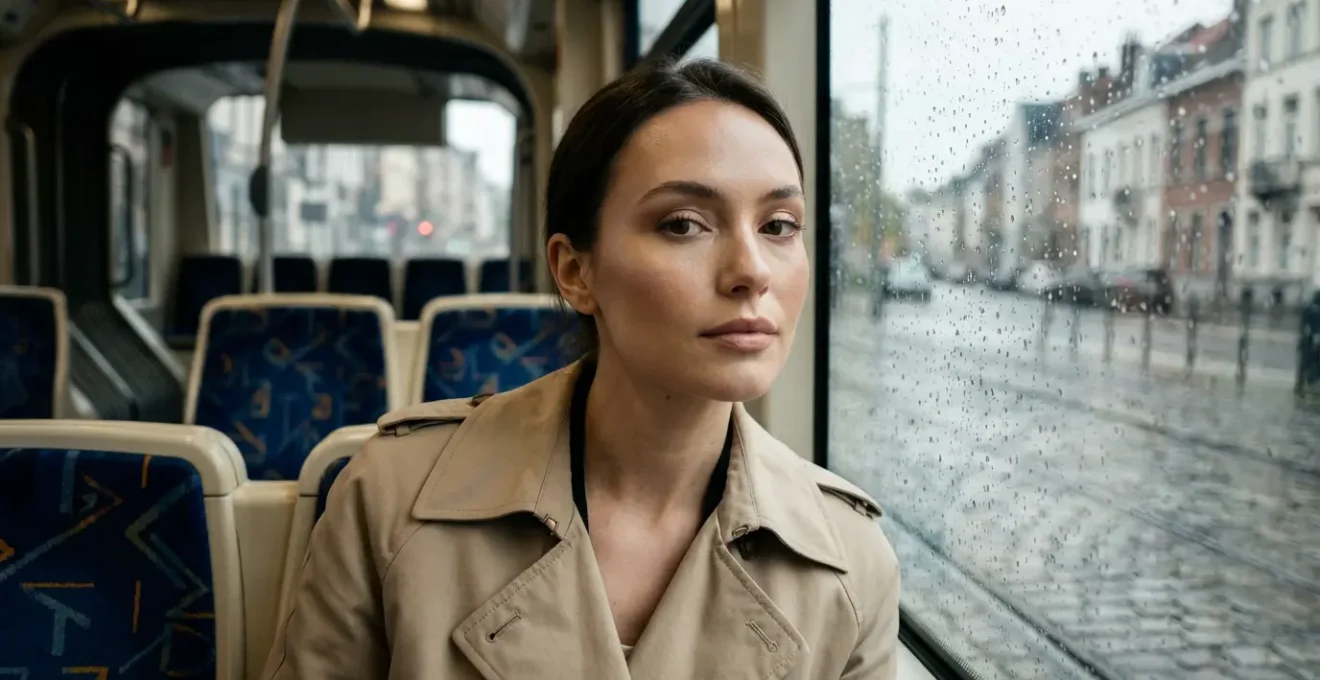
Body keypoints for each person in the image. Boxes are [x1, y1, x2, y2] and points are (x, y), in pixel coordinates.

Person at [262, 58, 899, 679]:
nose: (753, 271)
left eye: (780, 226)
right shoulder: (390, 497)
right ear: (575, 271)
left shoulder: (851, 562)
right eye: (683, 224)